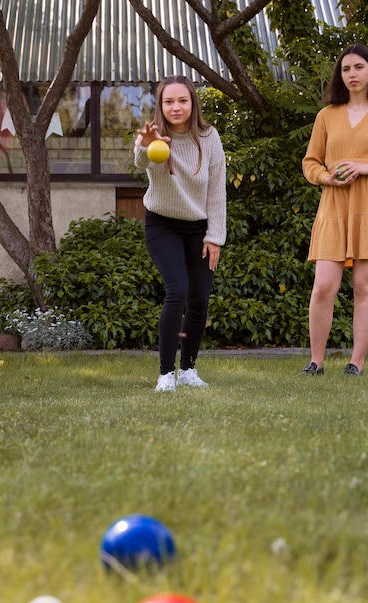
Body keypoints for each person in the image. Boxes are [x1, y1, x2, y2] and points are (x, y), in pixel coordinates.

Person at [301, 44, 368, 376]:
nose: (352, 74)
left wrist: (367, 168)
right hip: (334, 207)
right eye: (346, 69)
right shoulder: (326, 116)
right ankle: (315, 361)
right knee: (324, 286)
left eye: (359, 67)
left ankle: (356, 362)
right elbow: (310, 163)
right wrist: (326, 178)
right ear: (341, 75)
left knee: (365, 286)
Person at [134, 75, 227, 392]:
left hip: (198, 228)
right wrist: (146, 146)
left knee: (199, 298)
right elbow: (140, 162)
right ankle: (165, 374)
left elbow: (216, 192)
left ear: (192, 103)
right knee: (178, 290)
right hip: (162, 224)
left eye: (182, 100)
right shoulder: (153, 135)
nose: (176, 106)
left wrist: (214, 236)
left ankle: (187, 369)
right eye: (169, 101)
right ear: (160, 105)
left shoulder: (209, 137)